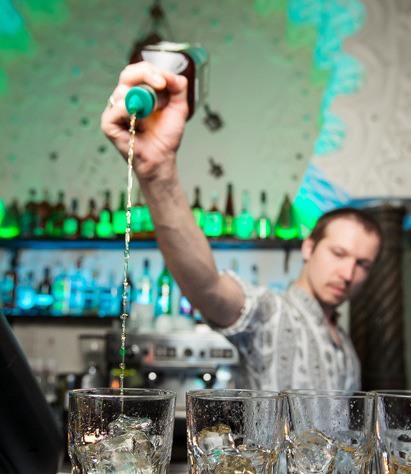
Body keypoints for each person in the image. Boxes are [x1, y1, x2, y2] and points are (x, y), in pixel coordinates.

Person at [101, 61, 382, 391]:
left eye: (363, 264)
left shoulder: (346, 349)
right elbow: (208, 289)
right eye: (338, 253)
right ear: (309, 247)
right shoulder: (273, 315)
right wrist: (157, 173)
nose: (348, 273)